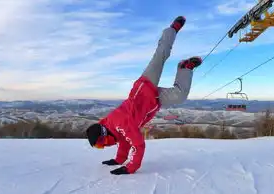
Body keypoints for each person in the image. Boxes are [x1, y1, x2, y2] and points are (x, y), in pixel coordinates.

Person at [85, 16, 202, 175]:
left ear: (103, 135)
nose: (103, 147)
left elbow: (137, 144)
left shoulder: (119, 124)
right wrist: (119, 160)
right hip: (153, 100)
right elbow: (124, 140)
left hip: (144, 86)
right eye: (99, 147)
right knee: (180, 96)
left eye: (100, 144)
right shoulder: (114, 128)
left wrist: (129, 167)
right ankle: (185, 67)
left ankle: (172, 29)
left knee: (160, 55)